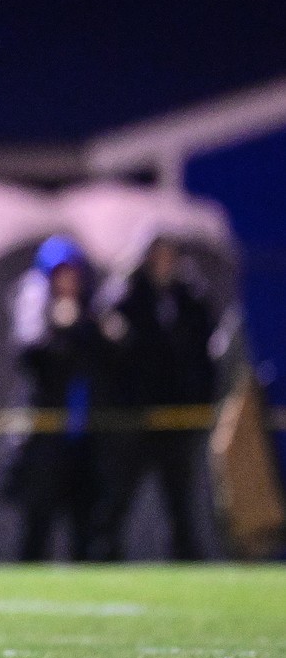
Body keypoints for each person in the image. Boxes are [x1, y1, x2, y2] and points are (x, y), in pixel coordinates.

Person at [93, 231, 218, 561]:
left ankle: (188, 564)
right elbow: (110, 347)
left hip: (177, 417)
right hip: (136, 417)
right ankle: (102, 560)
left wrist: (200, 400)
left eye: (170, 256)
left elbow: (202, 355)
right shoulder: (126, 295)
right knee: (118, 497)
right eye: (157, 256)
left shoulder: (188, 297)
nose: (164, 263)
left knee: (181, 501)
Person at [1, 235, 108, 562]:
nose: (68, 281)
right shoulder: (38, 309)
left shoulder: (90, 315)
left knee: (86, 526)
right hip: (46, 435)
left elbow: (100, 361)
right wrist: (58, 328)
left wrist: (84, 327)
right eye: (61, 274)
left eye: (73, 273)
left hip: (84, 433)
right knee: (37, 524)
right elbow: (32, 358)